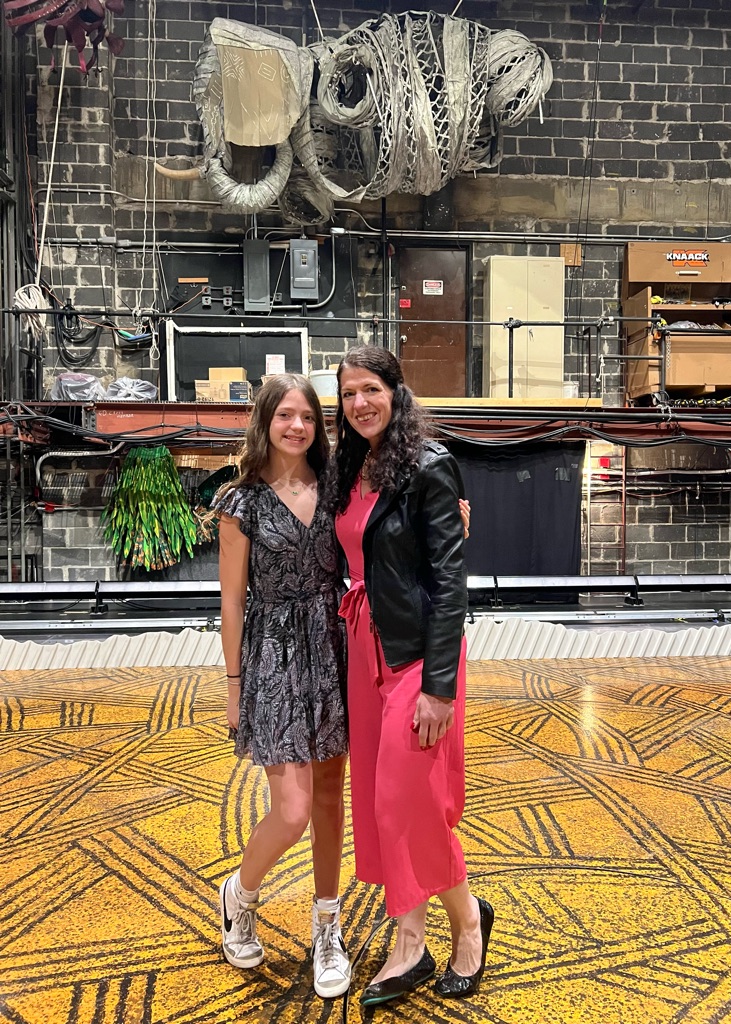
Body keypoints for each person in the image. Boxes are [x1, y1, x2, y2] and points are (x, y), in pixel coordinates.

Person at [328, 345, 493, 1006]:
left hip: (416, 655)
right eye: (348, 393)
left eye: (371, 389)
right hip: (363, 645)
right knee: (380, 804)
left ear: (396, 392)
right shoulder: (348, 466)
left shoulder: (429, 465)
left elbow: (450, 586)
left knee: (410, 800)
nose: (360, 403)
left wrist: (438, 687)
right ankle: (412, 941)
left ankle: (465, 924)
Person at [214, 373, 351, 999]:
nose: (298, 426)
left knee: (329, 802)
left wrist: (450, 521)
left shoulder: (336, 487)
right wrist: (233, 683)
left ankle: (328, 927)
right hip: (272, 655)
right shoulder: (240, 502)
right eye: (286, 415)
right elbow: (231, 603)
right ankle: (240, 895)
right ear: (265, 421)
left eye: (309, 417)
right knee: (291, 811)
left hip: (332, 646)